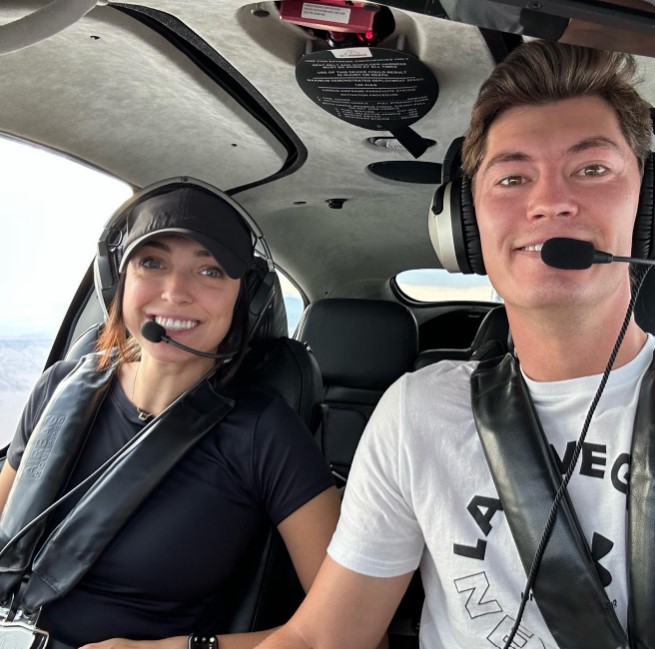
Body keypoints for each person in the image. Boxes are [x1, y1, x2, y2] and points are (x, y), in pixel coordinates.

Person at [255, 40, 655, 649]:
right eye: (513, 177)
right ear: (467, 227)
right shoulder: (415, 414)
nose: (550, 201)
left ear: (646, 205)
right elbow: (321, 640)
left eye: (592, 168)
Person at [0, 181, 340, 649]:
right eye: (152, 263)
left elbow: (349, 632)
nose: (175, 292)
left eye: (210, 270)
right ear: (116, 279)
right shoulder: (59, 388)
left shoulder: (266, 432)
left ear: (248, 298)